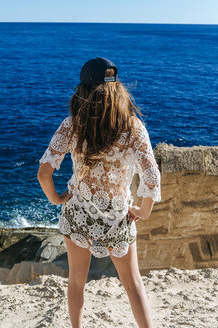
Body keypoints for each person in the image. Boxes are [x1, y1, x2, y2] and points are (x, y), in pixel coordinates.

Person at [37, 57, 161, 328]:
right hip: (119, 217)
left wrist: (57, 198)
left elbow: (44, 173)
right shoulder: (133, 127)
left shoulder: (72, 125)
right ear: (117, 89)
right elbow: (151, 175)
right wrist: (144, 210)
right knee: (133, 284)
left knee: (76, 281)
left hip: (79, 215)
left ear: (83, 91)